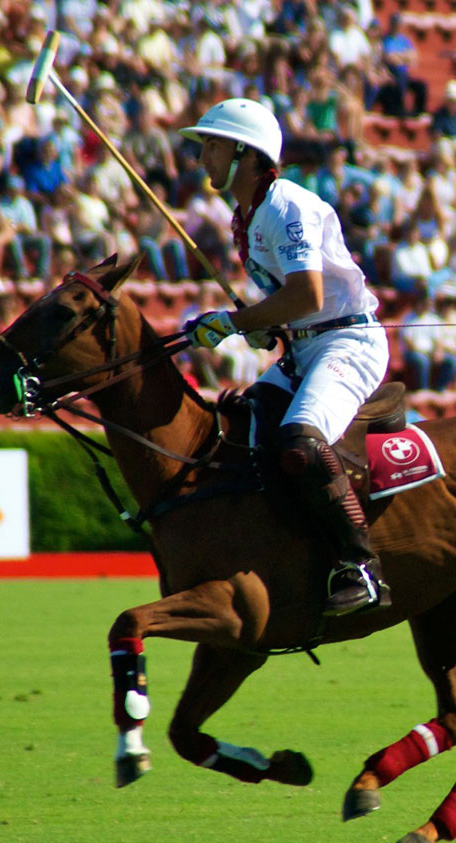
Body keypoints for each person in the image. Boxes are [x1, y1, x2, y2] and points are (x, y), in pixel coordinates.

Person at [179, 99, 391, 617]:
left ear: (246, 154)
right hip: (302, 350)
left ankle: (360, 568)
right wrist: (263, 327)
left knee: (299, 442)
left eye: (211, 144)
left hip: (346, 343)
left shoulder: (286, 207)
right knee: (245, 428)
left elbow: (308, 297)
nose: (201, 155)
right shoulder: (245, 217)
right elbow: (287, 306)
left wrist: (235, 323)